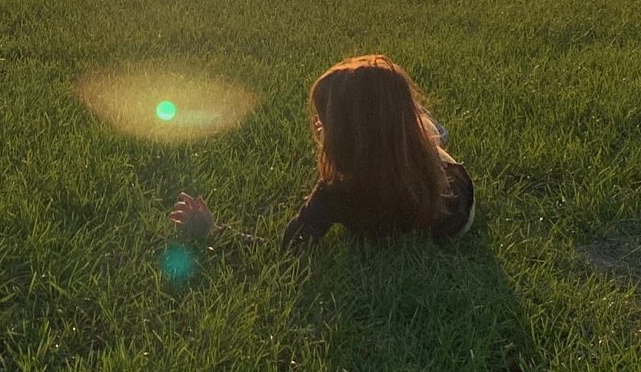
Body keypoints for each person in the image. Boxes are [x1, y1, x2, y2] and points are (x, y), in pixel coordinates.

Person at [171, 54, 477, 249]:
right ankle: (411, 123)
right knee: (421, 139)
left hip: (437, 163)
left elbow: (287, 248)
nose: (317, 123)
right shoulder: (428, 172)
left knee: (431, 141)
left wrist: (214, 230)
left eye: (325, 120)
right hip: (445, 176)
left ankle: (417, 127)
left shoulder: (336, 193)